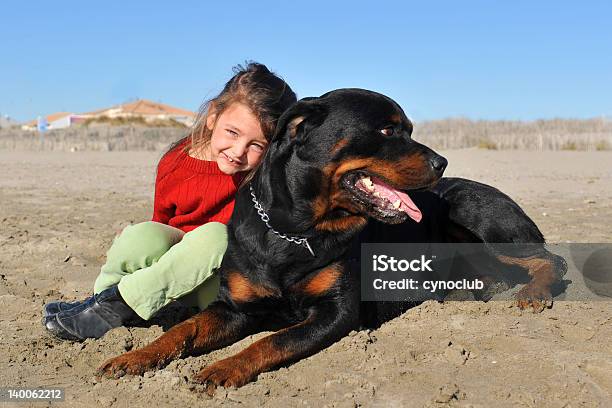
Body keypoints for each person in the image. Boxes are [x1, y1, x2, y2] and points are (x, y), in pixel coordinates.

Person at [43, 62, 297, 341]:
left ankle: (119, 306)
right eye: (232, 133)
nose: (238, 152)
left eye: (256, 145)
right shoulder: (176, 161)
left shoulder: (265, 178)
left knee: (216, 234)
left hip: (221, 287)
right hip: (173, 276)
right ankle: (100, 301)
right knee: (141, 235)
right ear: (213, 116)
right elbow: (161, 222)